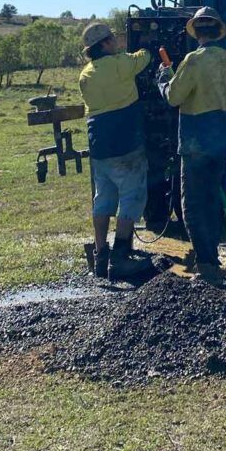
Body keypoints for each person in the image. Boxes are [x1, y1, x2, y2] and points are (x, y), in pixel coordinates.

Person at [157, 7, 226, 284]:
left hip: (195, 142)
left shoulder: (193, 61)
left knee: (192, 203)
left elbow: (174, 97)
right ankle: (211, 255)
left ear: (197, 33)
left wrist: (164, 79)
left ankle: (206, 264)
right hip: (221, 141)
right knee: (212, 200)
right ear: (218, 31)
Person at [79, 22, 152, 280]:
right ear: (105, 44)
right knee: (131, 195)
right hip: (125, 139)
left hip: (99, 142)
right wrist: (145, 43)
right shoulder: (121, 64)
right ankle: (121, 257)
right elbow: (144, 58)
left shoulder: (85, 73)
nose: (116, 42)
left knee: (104, 197)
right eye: (112, 39)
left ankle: (101, 256)